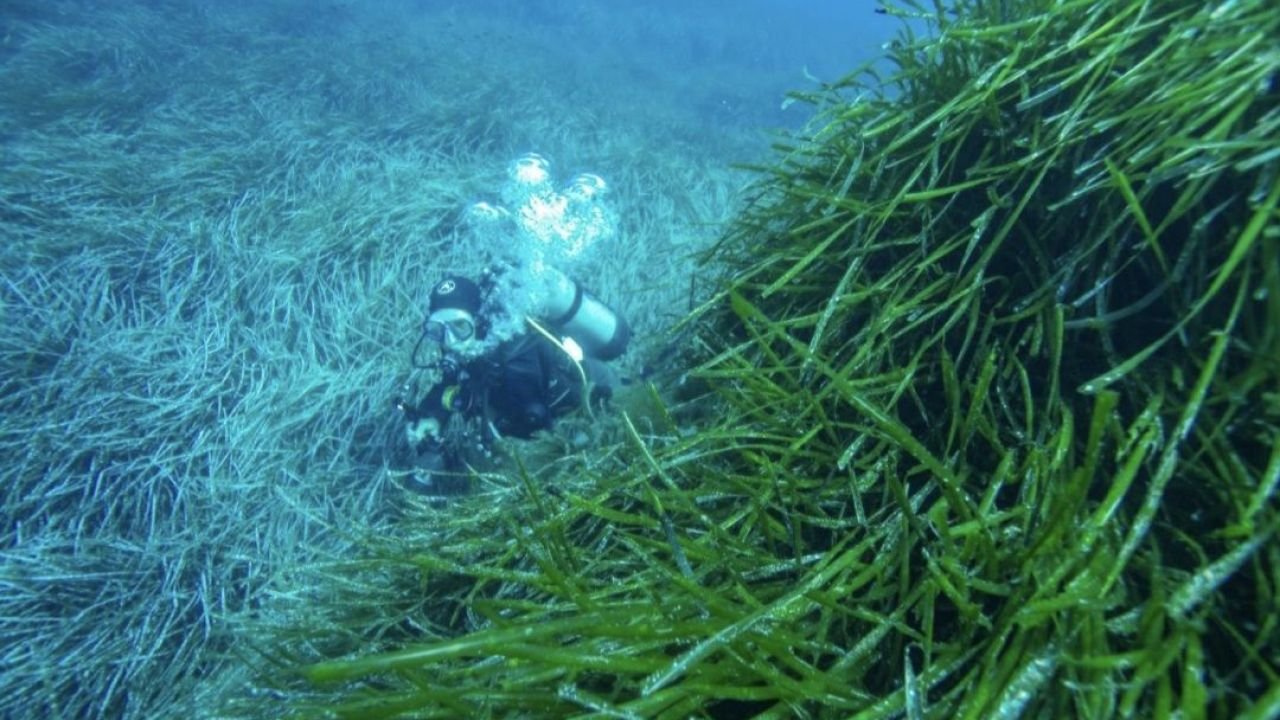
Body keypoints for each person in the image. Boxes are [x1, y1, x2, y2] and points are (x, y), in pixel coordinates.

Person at [395, 270, 629, 493]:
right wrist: (432, 413)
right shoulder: (477, 345)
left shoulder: (517, 362)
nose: (450, 341)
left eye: (459, 327)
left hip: (604, 399)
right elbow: (455, 379)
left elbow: (539, 443)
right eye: (437, 330)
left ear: (480, 321)